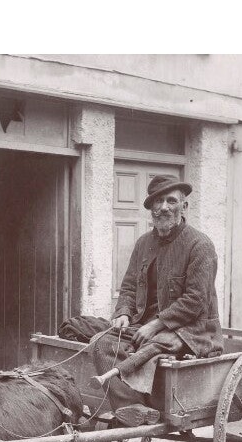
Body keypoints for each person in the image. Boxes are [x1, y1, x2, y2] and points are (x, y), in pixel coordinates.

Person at [80, 174, 224, 426]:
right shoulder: (143, 243)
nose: (164, 207)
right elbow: (128, 286)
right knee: (100, 342)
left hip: (191, 330)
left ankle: (138, 399)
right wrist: (123, 313)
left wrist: (156, 324)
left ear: (184, 206)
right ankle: (132, 406)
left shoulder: (200, 245)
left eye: (171, 201)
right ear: (151, 208)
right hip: (143, 325)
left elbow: (196, 300)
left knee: (151, 346)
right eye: (158, 202)